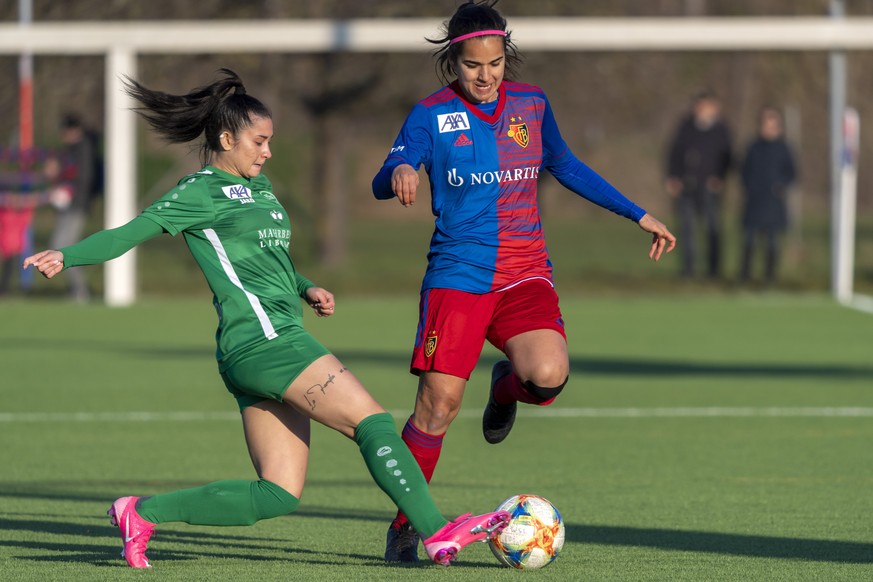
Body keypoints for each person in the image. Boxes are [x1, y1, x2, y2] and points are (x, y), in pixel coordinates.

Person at [23, 68, 509, 569]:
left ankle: (140, 513)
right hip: (265, 340)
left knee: (278, 492)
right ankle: (435, 532)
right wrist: (68, 254)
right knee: (373, 423)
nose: (267, 152)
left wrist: (305, 286)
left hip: (263, 343)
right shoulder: (200, 190)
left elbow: (268, 259)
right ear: (227, 138)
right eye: (259, 141)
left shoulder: (262, 187)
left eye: (271, 141)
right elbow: (130, 231)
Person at [371, 0, 676, 562]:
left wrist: (638, 214)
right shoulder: (430, 114)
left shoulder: (532, 105)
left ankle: (505, 385)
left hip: (523, 272)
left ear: (504, 56)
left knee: (548, 375)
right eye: (471, 65)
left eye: (493, 63)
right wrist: (402, 171)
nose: (484, 76)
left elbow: (565, 165)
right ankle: (405, 525)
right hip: (458, 276)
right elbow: (382, 178)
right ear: (452, 63)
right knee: (437, 407)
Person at [665, 90, 732, 279]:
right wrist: (673, 177)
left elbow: (728, 157)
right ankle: (688, 269)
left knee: (712, 228)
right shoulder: (686, 127)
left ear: (714, 108)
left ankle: (713, 270)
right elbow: (674, 153)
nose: (701, 110)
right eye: (699, 106)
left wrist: (719, 177)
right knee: (686, 229)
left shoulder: (721, 129)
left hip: (710, 188)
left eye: (706, 106)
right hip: (687, 186)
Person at [738, 107, 796, 286]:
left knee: (772, 243)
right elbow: (743, 170)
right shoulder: (753, 147)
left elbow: (792, 173)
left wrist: (781, 186)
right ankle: (745, 277)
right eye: (765, 124)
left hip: (773, 203)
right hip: (754, 201)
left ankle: (770, 278)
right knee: (749, 241)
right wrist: (749, 186)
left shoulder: (784, 148)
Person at [49, 114, 102, 302]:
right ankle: (77, 291)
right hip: (69, 206)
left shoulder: (83, 149)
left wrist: (67, 194)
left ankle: (80, 292)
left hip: (76, 207)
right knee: (60, 247)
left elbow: (83, 180)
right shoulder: (71, 150)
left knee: (64, 248)